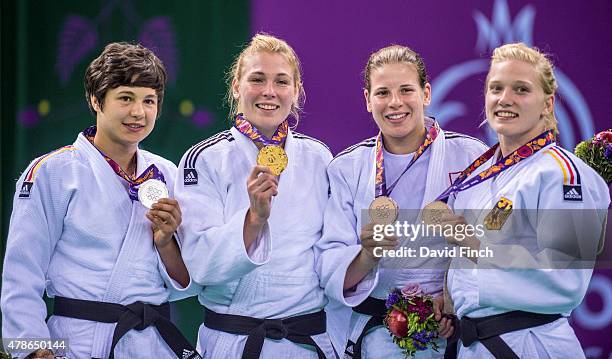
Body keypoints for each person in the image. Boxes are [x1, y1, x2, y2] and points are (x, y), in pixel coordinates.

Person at [1, 42, 199, 359]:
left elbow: (186, 281)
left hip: (153, 344)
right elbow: (21, 273)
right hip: (78, 342)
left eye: (149, 101)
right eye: (125, 98)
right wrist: (32, 350)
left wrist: (165, 242)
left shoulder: (167, 174)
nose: (139, 112)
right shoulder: (52, 172)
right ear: (96, 100)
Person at [316, 45, 489, 358]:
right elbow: (329, 269)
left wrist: (450, 298)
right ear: (368, 100)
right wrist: (368, 254)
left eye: (406, 90)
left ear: (425, 93)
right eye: (382, 92)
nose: (395, 103)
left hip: (453, 328)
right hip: (377, 332)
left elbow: (492, 247)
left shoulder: (471, 156)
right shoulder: (347, 167)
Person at [440, 43, 610, 358]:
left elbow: (566, 278)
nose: (505, 99)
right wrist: (447, 303)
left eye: (521, 89)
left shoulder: (564, 174)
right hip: (475, 345)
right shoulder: (477, 177)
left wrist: (476, 247)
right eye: (496, 88)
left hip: (532, 343)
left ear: (547, 104)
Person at [175, 33, 336, 358]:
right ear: (236, 86)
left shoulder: (319, 157)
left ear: (296, 90)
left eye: (281, 81)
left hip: (307, 339)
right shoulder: (203, 159)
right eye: (257, 79)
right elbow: (199, 266)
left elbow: (331, 250)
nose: (269, 92)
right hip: (234, 340)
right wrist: (253, 220)